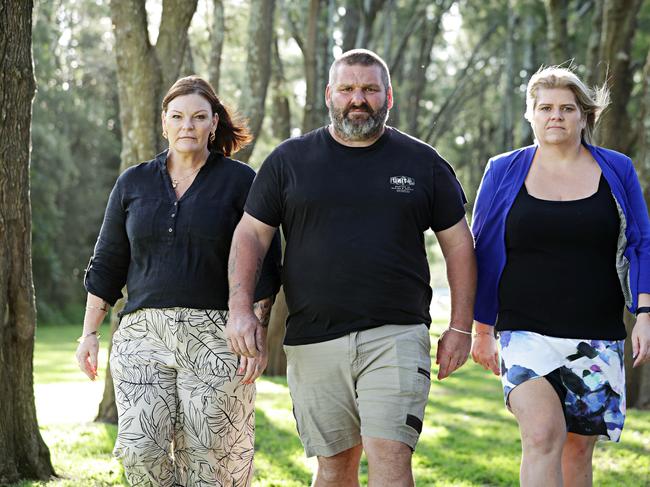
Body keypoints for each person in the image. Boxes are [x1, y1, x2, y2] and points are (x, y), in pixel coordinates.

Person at [226, 49, 476, 487]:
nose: (357, 99)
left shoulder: (422, 162)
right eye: (347, 89)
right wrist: (240, 308)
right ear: (329, 94)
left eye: (369, 89)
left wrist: (460, 326)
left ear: (388, 97)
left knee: (391, 456)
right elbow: (250, 235)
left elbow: (459, 245)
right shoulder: (289, 161)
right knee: (334, 467)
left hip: (396, 334)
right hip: (313, 339)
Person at [75, 75, 281, 487]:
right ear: (164, 123)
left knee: (212, 459)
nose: (188, 125)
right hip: (141, 335)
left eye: (199, 117)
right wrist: (89, 334)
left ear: (213, 124)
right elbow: (109, 261)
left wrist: (255, 331)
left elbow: (265, 264)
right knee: (137, 450)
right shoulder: (133, 182)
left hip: (218, 335)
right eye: (178, 116)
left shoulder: (241, 181)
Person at [471, 66, 650, 487]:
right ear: (530, 114)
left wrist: (644, 313)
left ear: (584, 116)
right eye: (545, 107)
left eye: (567, 108)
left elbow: (641, 243)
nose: (556, 116)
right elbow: (480, 249)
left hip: (597, 332)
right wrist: (480, 327)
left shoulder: (617, 169)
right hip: (523, 331)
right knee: (541, 435)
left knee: (576, 449)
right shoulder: (502, 170)